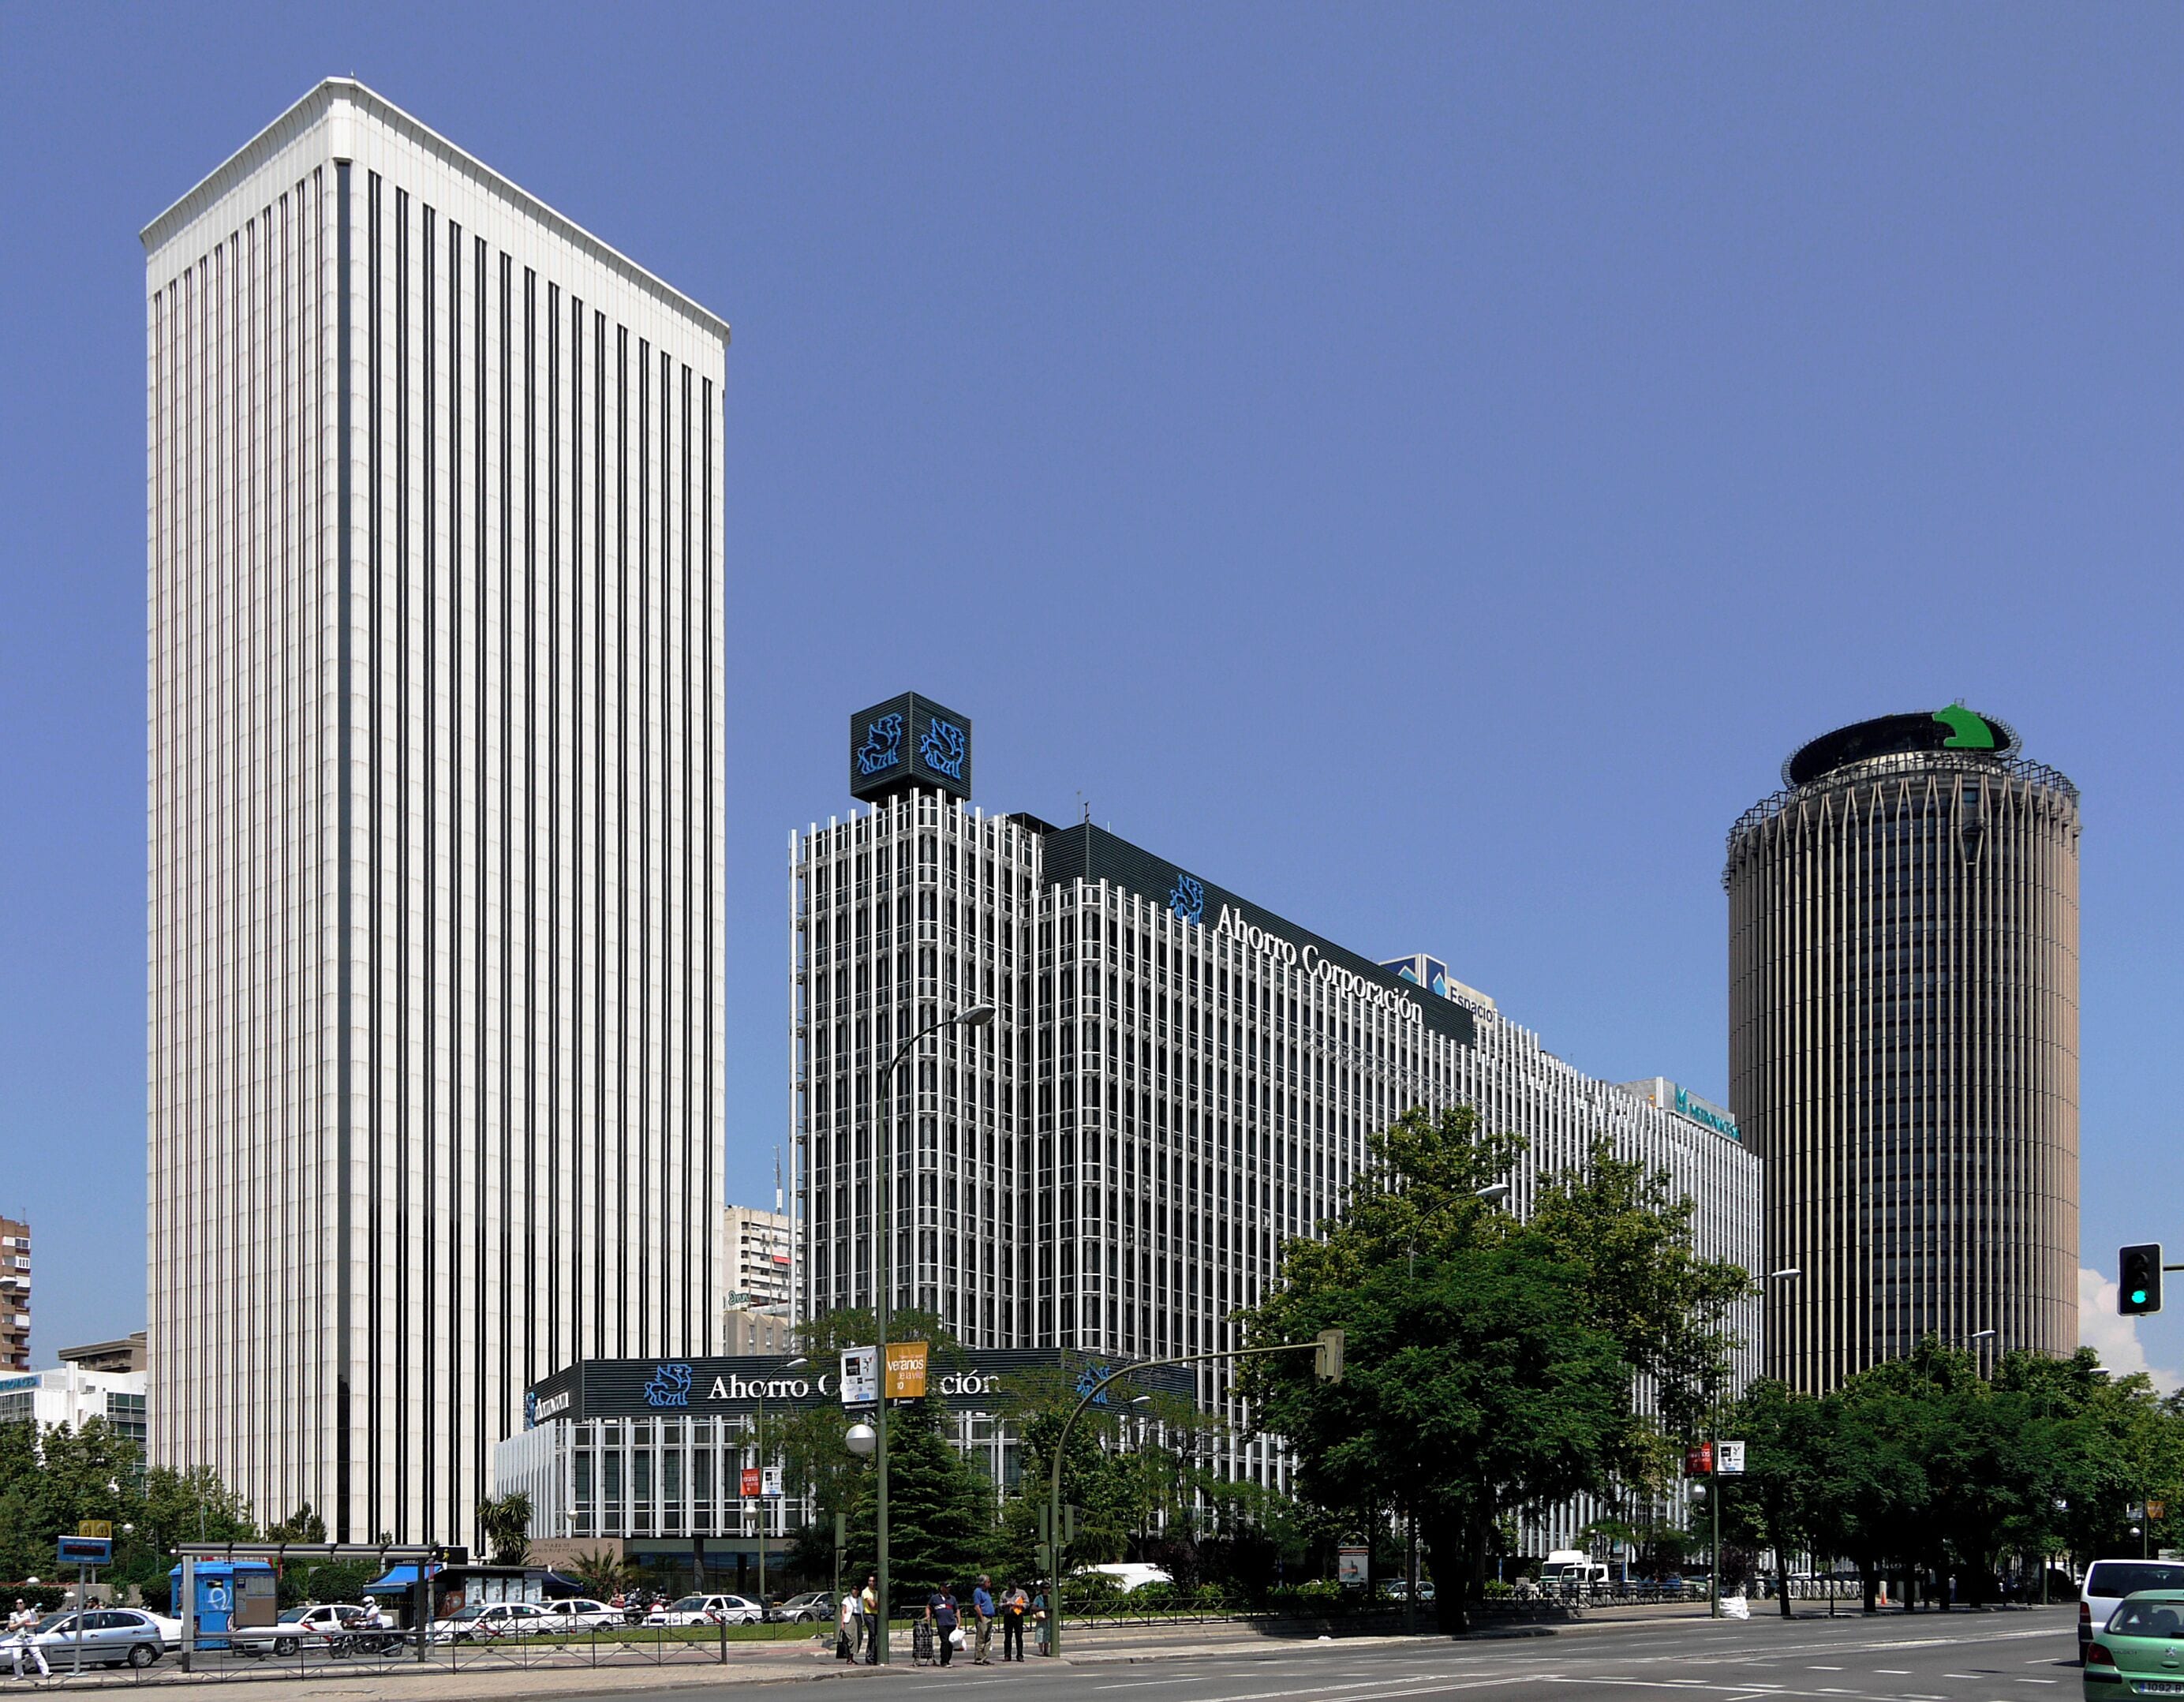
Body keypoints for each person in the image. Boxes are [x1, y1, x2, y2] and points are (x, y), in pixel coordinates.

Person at [6, 1599, 50, 1680]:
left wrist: (30, 1624)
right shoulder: (13, 1615)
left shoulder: (31, 1612)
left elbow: (38, 1623)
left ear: (24, 1604)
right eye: (16, 1603)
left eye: (20, 1603)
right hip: (19, 1637)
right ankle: (19, 1675)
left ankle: (46, 1673)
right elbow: (11, 1627)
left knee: (37, 1654)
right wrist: (21, 1623)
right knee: (16, 1657)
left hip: (30, 1636)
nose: (18, 1604)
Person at [925, 1586, 959, 1667]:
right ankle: (944, 1661)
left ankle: (948, 1660)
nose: (948, 1589)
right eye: (947, 1588)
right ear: (942, 1588)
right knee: (945, 1642)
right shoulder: (935, 1598)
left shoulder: (952, 1598)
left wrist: (959, 1622)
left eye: (949, 1588)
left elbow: (957, 1610)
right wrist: (928, 1616)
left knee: (951, 1643)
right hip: (942, 1624)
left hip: (952, 1623)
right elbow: (928, 1607)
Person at [999, 1580, 1029, 1662]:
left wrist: (1018, 1605)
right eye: (1011, 1588)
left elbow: (1027, 1603)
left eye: (1014, 1588)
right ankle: (1007, 1655)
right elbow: (1000, 1604)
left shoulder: (1022, 1593)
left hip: (1018, 1615)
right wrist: (1006, 1604)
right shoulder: (1004, 1594)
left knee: (1019, 1636)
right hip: (1008, 1616)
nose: (1012, 1589)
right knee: (1008, 1637)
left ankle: (1020, 1655)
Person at [970, 1575, 994, 1665]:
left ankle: (985, 1657)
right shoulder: (978, 1592)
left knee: (988, 1638)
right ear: (983, 1583)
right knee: (981, 1638)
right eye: (988, 1582)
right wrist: (981, 1618)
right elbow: (977, 1606)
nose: (990, 1583)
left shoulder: (986, 1591)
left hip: (990, 1617)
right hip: (983, 1617)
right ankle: (979, 1658)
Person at [859, 1575, 880, 1665]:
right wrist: (877, 1604)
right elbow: (873, 1606)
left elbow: (882, 1604)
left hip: (877, 1615)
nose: (872, 1583)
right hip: (869, 1615)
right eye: (870, 1581)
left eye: (874, 1581)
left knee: (876, 1636)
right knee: (873, 1635)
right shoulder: (866, 1592)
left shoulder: (877, 1592)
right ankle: (870, 1657)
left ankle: (875, 1656)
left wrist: (877, 1604)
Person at [835, 1591, 858, 1663]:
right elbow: (843, 1612)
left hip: (858, 1619)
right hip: (848, 1620)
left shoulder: (860, 1600)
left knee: (857, 1638)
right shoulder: (847, 1600)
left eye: (856, 1589)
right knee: (850, 1638)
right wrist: (842, 1623)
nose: (855, 1591)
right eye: (853, 1589)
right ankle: (849, 1657)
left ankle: (851, 1657)